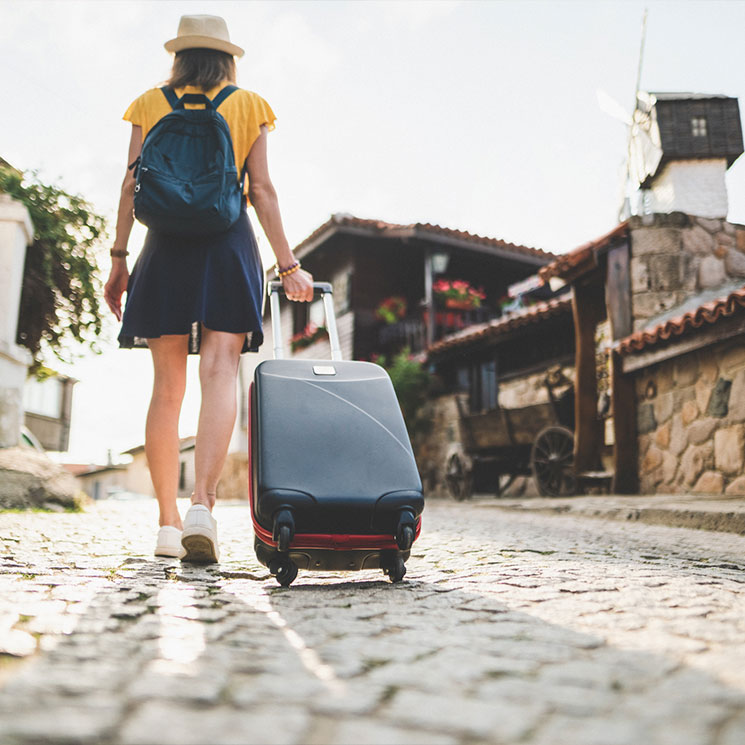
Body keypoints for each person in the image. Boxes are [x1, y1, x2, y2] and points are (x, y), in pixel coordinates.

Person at [104, 14, 313, 563]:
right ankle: (202, 506)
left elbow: (130, 184)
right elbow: (262, 190)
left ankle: (167, 526)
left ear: (179, 56)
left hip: (164, 246)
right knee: (220, 370)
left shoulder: (149, 103)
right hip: (227, 241)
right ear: (228, 58)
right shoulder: (249, 105)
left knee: (166, 387)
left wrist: (118, 258)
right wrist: (289, 266)